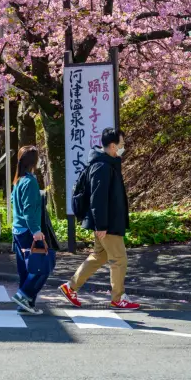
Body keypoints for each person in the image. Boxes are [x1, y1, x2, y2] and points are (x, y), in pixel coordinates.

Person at [59, 128, 140, 311]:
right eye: (121, 145)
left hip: (106, 222)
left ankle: (70, 287)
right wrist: (101, 224)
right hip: (108, 223)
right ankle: (118, 298)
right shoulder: (102, 167)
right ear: (112, 146)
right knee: (119, 259)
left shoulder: (106, 163)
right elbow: (98, 198)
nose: (123, 148)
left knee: (99, 256)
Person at [10, 146, 59, 315]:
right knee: (43, 265)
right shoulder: (30, 181)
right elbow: (29, 210)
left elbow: (14, 203)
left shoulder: (18, 180)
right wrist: (36, 231)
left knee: (26, 268)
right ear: (34, 161)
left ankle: (25, 304)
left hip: (17, 230)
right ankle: (24, 295)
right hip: (28, 231)